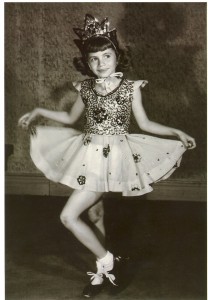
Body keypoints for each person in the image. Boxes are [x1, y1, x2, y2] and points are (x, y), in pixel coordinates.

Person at [18, 14, 196, 298]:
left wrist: (176, 133)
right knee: (94, 212)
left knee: (68, 216)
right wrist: (39, 111)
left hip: (114, 157)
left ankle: (106, 260)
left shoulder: (130, 88)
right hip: (88, 153)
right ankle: (103, 274)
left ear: (117, 56)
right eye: (94, 59)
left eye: (106, 56)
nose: (101, 64)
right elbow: (68, 116)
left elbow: (146, 124)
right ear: (86, 63)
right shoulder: (85, 88)